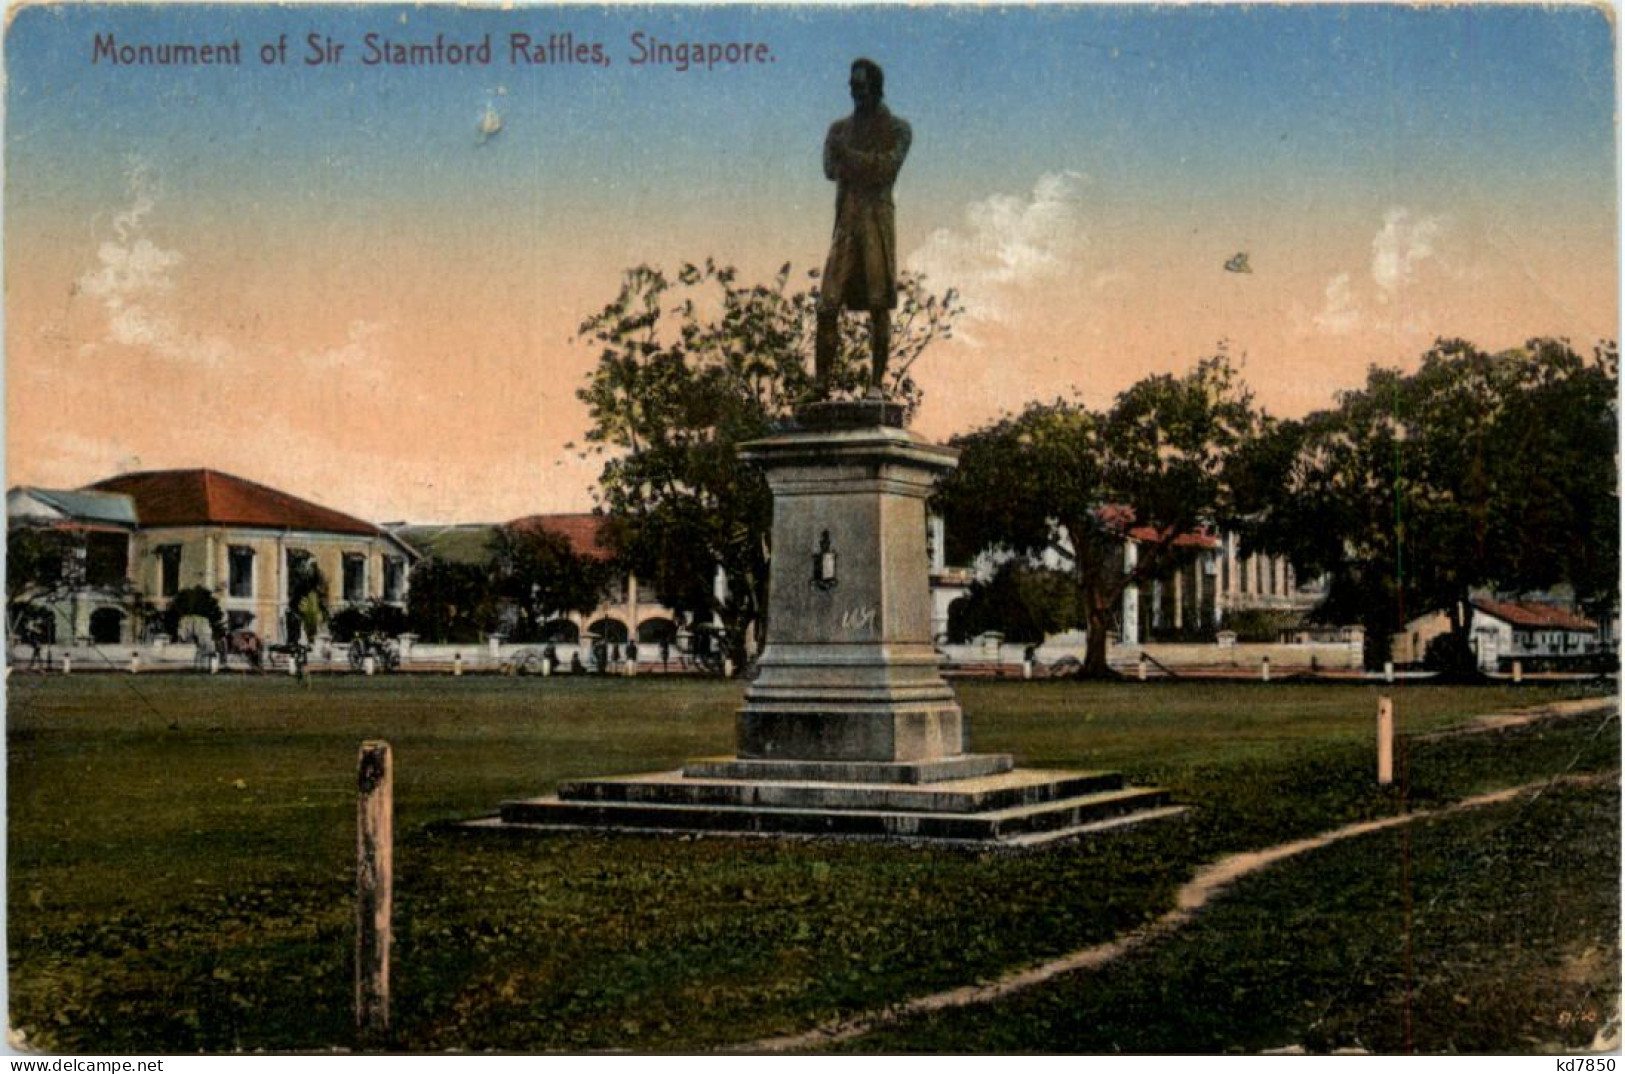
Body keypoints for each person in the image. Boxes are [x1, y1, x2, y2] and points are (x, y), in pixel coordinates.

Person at [815, 58, 912, 397]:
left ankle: (875, 385)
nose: (856, 92)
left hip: (876, 225)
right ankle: (820, 385)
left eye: (862, 86)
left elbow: (886, 169)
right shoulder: (838, 129)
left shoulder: (898, 128)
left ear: (876, 87)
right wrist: (858, 161)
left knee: (879, 303)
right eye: (852, 86)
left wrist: (850, 157)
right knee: (826, 305)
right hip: (846, 224)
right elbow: (829, 169)